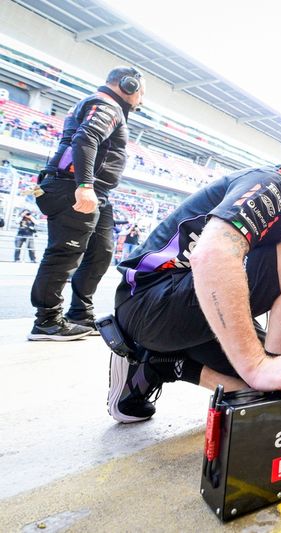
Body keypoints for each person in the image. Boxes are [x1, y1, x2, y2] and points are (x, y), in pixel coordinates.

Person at [109, 130, 281, 423]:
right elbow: (212, 255)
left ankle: (158, 364)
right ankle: (256, 372)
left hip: (170, 308)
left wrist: (276, 359)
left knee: (275, 391)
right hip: (149, 302)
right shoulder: (273, 185)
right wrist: (257, 364)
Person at [28, 66, 146, 341]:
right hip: (74, 187)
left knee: (101, 252)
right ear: (128, 85)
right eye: (141, 92)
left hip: (97, 193)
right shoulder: (106, 105)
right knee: (65, 253)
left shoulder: (105, 106)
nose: (141, 99)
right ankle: (47, 322)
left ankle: (80, 314)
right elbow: (86, 138)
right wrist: (85, 186)